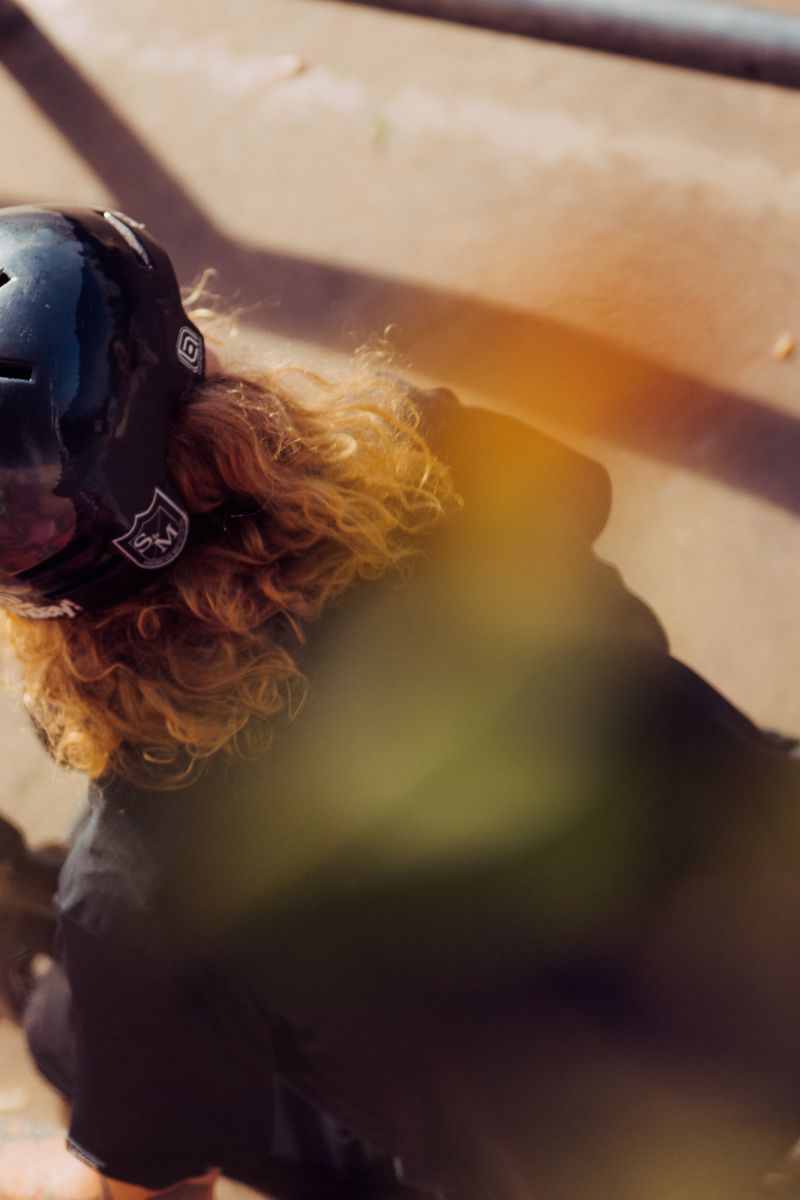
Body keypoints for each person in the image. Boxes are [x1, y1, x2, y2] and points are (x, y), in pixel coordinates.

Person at [0, 204, 799, 1200]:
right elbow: (573, 494)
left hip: (608, 1166)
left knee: (68, 1035)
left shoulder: (137, 888)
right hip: (766, 924)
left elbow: (146, 1195)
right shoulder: (429, 449)